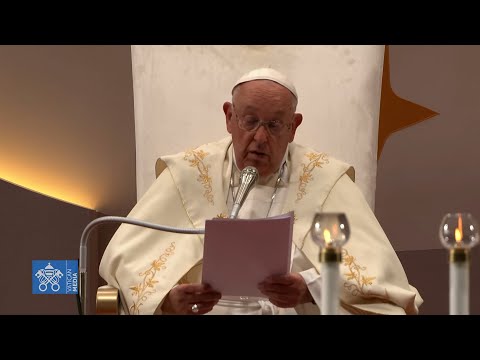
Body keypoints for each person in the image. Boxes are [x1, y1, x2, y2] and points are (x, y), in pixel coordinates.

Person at [99, 67, 423, 315]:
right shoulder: (189, 174)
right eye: (250, 121)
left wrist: (309, 289)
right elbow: (124, 268)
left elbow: (380, 286)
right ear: (229, 117)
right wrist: (168, 302)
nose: (260, 138)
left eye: (274, 125)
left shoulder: (326, 181)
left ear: (294, 126)